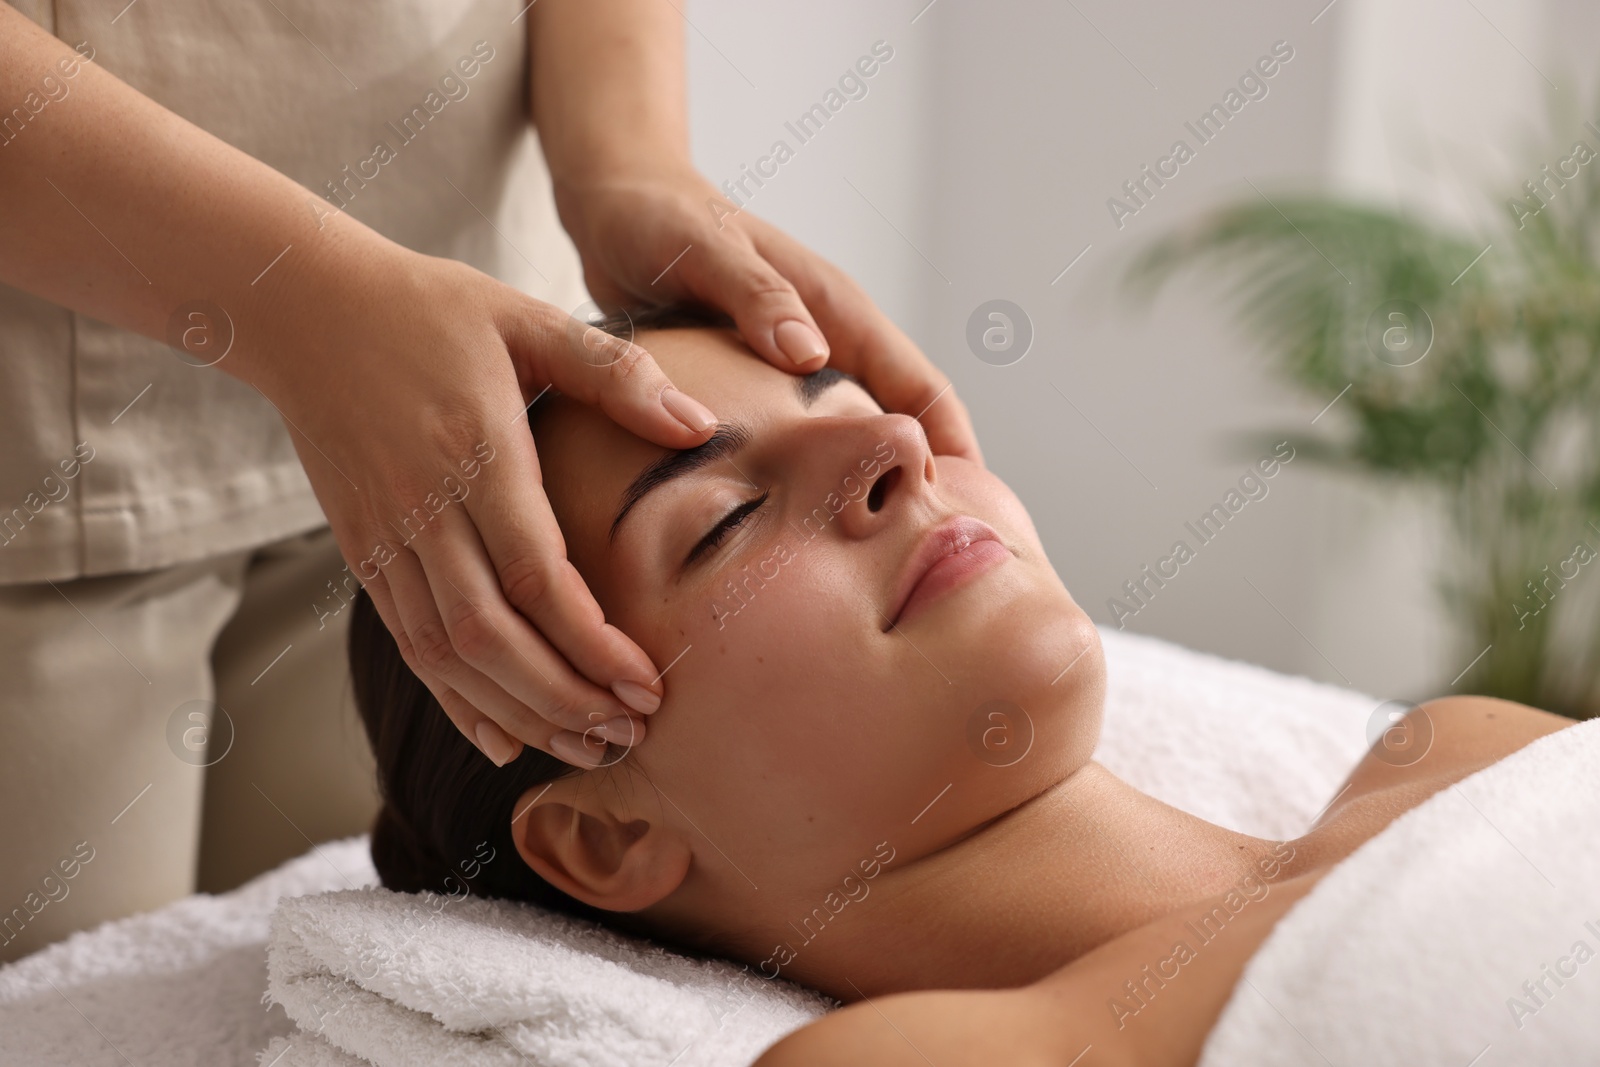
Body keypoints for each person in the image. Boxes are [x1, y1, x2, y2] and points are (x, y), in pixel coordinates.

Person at [0, 1, 979, 962]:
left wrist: (623, 153)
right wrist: (299, 300)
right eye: (721, 522)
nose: (896, 439)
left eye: (838, 397)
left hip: (480, 386)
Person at [348, 305, 1575, 1064]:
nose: (894, 447)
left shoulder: (1463, 750)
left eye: (860, 405)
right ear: (607, 835)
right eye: (720, 522)